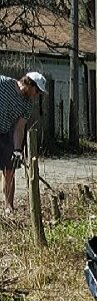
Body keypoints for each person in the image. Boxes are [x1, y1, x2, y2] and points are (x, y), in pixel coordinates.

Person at [0, 72, 47, 212]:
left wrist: (17, 149)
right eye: (37, 90)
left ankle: (9, 207)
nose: (36, 94)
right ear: (29, 84)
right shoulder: (3, 83)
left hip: (5, 133)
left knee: (9, 171)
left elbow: (19, 128)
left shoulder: (27, 105)